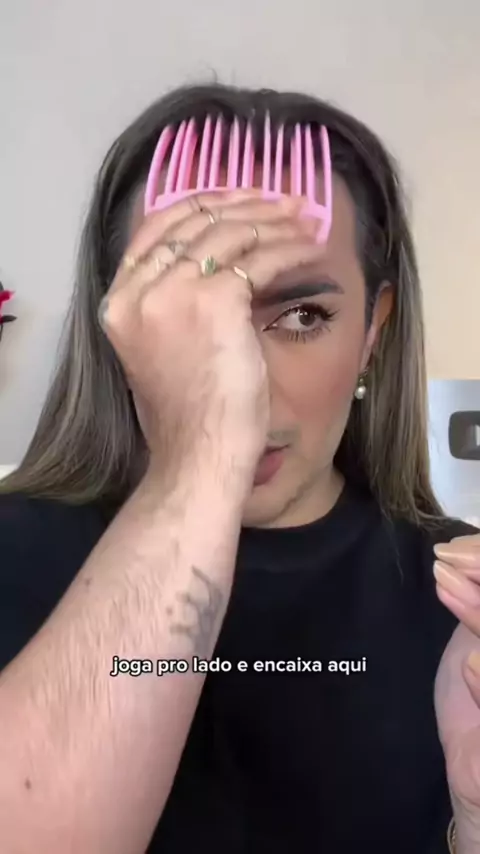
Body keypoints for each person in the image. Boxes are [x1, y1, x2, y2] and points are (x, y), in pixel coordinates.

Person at [0, 82, 480, 854]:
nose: (243, 382)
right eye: (188, 310)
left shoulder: (459, 596)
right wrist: (200, 456)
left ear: (373, 331)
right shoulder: (12, 552)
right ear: (118, 323)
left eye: (303, 315)